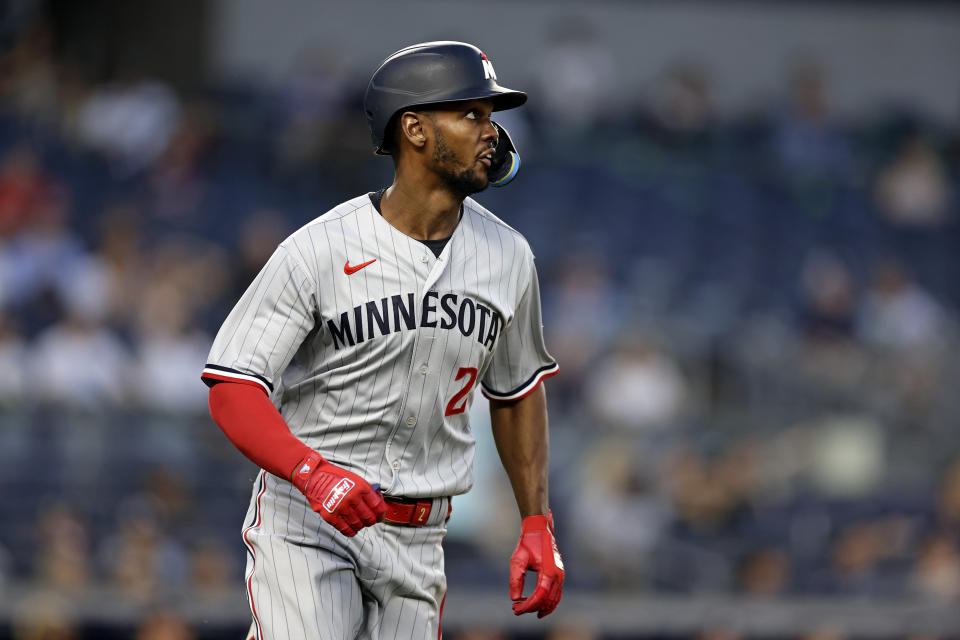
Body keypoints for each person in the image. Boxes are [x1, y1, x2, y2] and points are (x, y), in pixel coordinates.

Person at [202, 41, 564, 639]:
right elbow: (232, 387)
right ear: (415, 129)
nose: (490, 131)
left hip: (420, 538)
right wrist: (311, 471)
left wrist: (536, 522)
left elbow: (517, 392)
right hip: (309, 519)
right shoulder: (319, 248)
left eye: (491, 116)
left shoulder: (509, 257)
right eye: (470, 113)